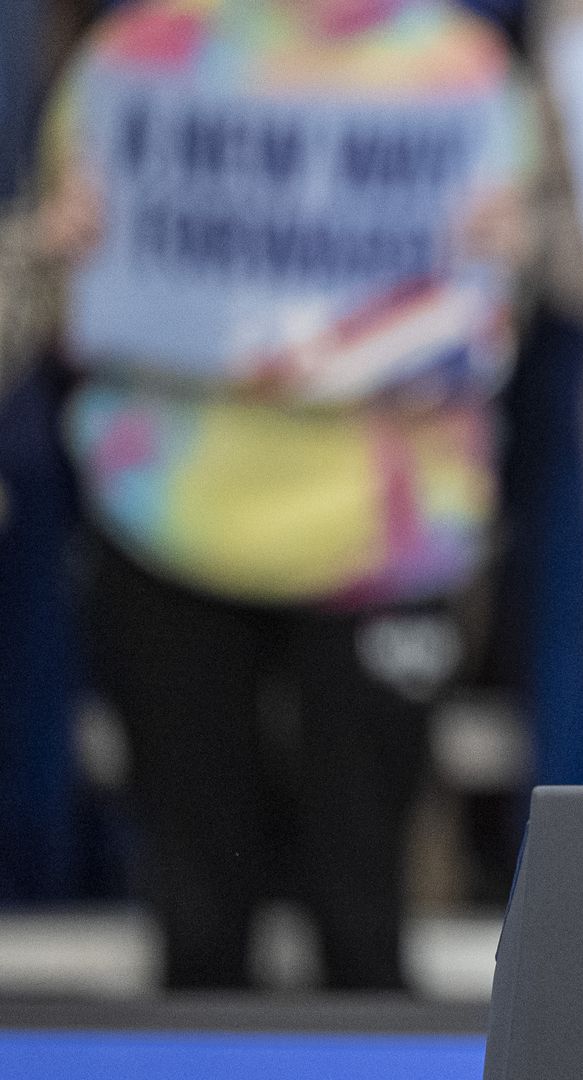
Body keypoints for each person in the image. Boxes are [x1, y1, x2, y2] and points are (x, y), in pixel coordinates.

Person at [39, 0, 534, 990]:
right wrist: (60, 244)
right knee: (196, 912)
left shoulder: (458, 67)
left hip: (384, 533)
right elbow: (62, 283)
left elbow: (504, 297)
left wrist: (513, 253)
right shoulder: (139, 57)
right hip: (168, 516)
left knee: (364, 907)